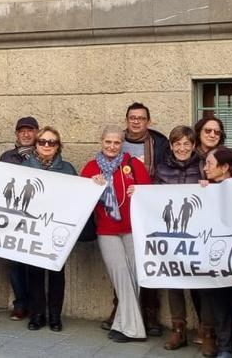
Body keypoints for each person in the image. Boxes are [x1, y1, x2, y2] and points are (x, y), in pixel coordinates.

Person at [80, 125, 151, 343]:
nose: (112, 146)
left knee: (135, 278)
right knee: (121, 278)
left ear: (122, 144)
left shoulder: (133, 165)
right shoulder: (91, 168)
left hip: (133, 229)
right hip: (107, 230)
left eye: (117, 142)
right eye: (108, 142)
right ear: (101, 142)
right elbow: (81, 201)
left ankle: (123, 324)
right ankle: (134, 330)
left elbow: (149, 192)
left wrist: (138, 191)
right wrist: (92, 186)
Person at [152, 125, 210, 351]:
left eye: (187, 143)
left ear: (194, 145)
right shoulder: (162, 167)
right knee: (174, 281)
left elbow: (219, 187)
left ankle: (207, 333)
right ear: (171, 145)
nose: (182, 148)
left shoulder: (204, 165)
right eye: (177, 144)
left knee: (203, 283)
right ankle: (179, 330)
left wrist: (209, 185)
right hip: (173, 235)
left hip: (199, 234)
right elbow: (154, 197)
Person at [20, 126, 76, 332]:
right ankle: (37, 314)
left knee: (56, 273)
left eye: (51, 142)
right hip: (32, 228)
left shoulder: (68, 169)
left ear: (58, 146)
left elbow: (77, 198)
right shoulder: (25, 167)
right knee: (33, 272)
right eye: (42, 141)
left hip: (57, 230)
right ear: (36, 144)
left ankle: (54, 316)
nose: (46, 145)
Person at [121, 102, 168, 335]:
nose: (136, 121)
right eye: (132, 117)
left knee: (150, 260)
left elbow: (166, 170)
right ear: (127, 120)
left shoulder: (159, 143)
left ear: (148, 121)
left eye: (141, 118)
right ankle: (121, 309)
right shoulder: (116, 141)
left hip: (151, 210)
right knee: (124, 263)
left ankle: (150, 313)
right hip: (121, 210)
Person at [199, 148, 232, 358]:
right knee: (219, 303)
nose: (205, 168)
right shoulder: (206, 188)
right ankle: (225, 347)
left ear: (225, 167)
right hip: (214, 257)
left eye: (209, 164)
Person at [0, 116, 39, 321]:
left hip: (36, 219)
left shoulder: (43, 155)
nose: (25, 134)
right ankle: (20, 303)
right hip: (12, 218)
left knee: (34, 264)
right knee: (14, 263)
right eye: (21, 130)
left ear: (36, 133)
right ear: (16, 134)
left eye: (30, 130)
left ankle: (35, 304)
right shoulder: (7, 157)